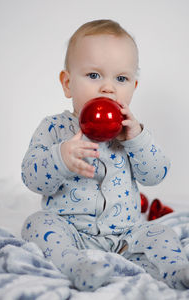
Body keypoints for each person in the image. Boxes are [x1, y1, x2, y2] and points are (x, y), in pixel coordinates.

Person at [21, 19, 189, 291]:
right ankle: (77, 266)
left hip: (126, 235)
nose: (108, 88)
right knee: (36, 225)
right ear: (67, 83)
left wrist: (138, 139)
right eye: (94, 75)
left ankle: (174, 271)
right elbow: (31, 177)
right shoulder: (54, 129)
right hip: (70, 232)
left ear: (133, 87)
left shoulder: (131, 132)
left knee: (161, 233)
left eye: (121, 78)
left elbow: (157, 175)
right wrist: (60, 158)